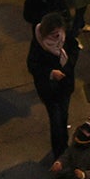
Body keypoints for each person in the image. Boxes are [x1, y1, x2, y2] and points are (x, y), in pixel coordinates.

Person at [27, 13, 80, 165]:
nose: (57, 35)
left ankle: (63, 150)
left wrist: (68, 66)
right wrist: (51, 73)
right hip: (50, 90)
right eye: (53, 33)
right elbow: (33, 65)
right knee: (56, 121)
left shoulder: (65, 35)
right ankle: (60, 153)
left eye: (58, 31)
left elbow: (74, 49)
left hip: (65, 85)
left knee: (63, 117)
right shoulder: (38, 44)